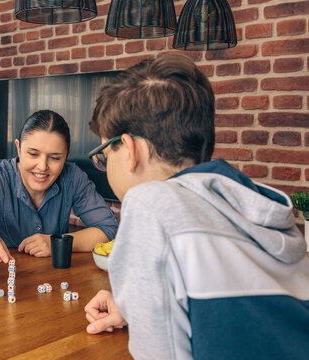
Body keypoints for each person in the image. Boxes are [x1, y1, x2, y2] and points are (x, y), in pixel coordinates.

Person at [83, 54, 309, 359]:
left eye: (104, 154)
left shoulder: (149, 204)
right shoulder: (249, 203)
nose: (104, 164)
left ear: (130, 149)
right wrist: (138, 303)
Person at [0, 110, 118, 268]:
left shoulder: (74, 177)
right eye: (33, 154)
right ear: (18, 148)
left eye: (54, 158)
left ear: (66, 155)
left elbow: (109, 229)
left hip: (48, 280)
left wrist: (56, 243)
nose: (42, 166)